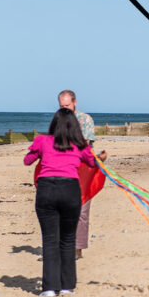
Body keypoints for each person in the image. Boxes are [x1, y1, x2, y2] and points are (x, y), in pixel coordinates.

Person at [24, 107, 107, 297]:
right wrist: (102, 157)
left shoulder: (42, 141)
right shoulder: (79, 145)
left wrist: (37, 151)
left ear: (54, 124)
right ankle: (67, 286)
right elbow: (93, 162)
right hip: (70, 190)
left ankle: (49, 288)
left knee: (50, 240)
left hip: (47, 191)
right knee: (68, 239)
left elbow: (27, 161)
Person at [58, 89, 95, 260]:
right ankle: (64, 245)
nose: (64, 109)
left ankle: (78, 248)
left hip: (83, 167)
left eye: (67, 105)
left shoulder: (85, 119)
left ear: (75, 102)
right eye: (61, 106)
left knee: (82, 208)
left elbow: (85, 144)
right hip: (63, 167)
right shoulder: (58, 119)